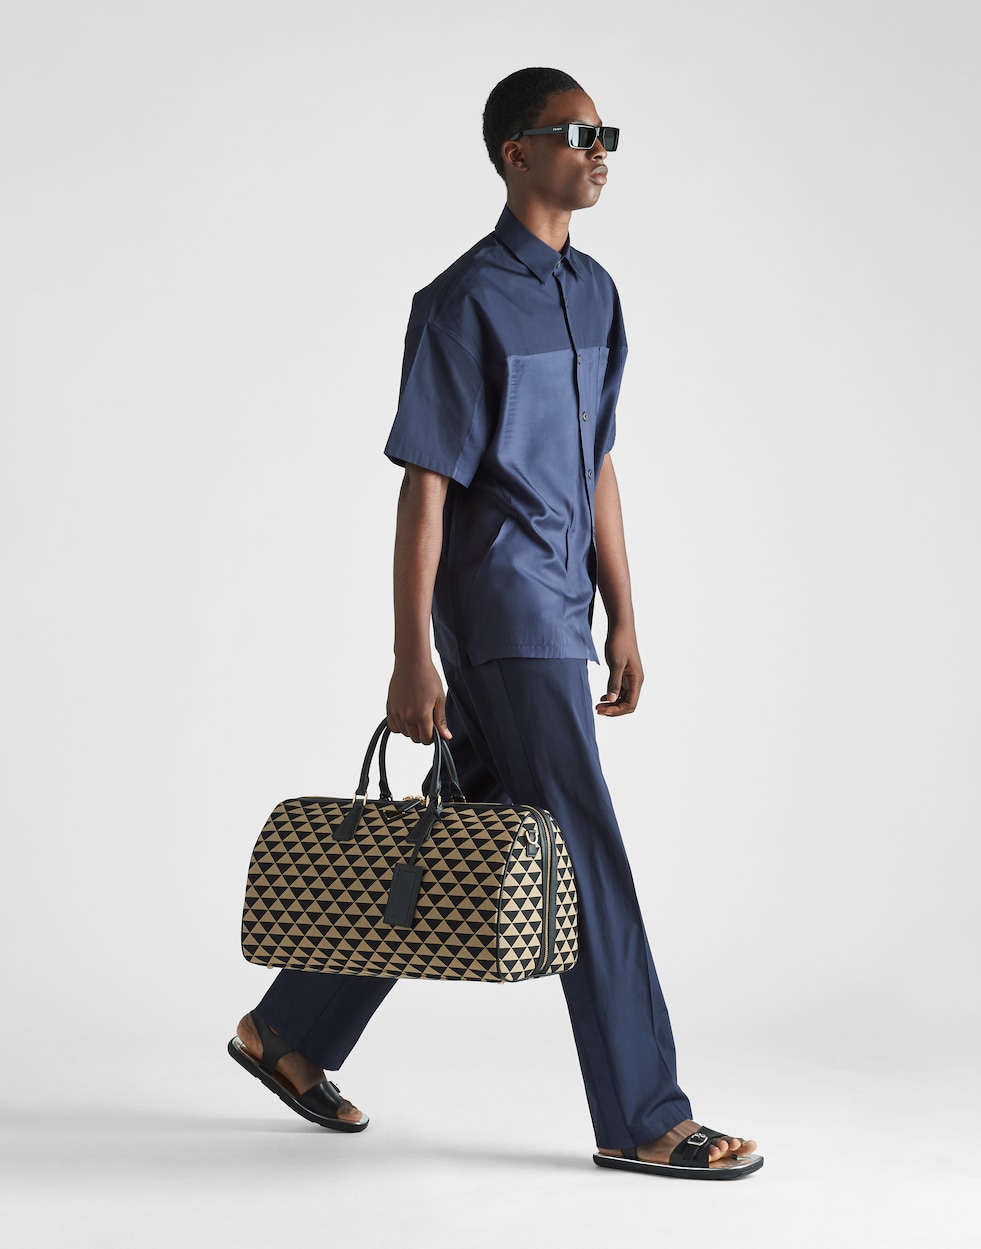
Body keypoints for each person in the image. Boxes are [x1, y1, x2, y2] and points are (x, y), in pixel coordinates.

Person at [229, 67, 762, 1180]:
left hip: (564, 611)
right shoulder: (460, 301)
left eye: (606, 133)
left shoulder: (598, 292)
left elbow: (599, 464)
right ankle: (645, 1115)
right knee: (584, 849)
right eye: (575, 132)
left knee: (454, 828)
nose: (599, 149)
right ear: (517, 153)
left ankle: (287, 1032)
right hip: (500, 613)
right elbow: (423, 490)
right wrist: (410, 655)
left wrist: (625, 614)